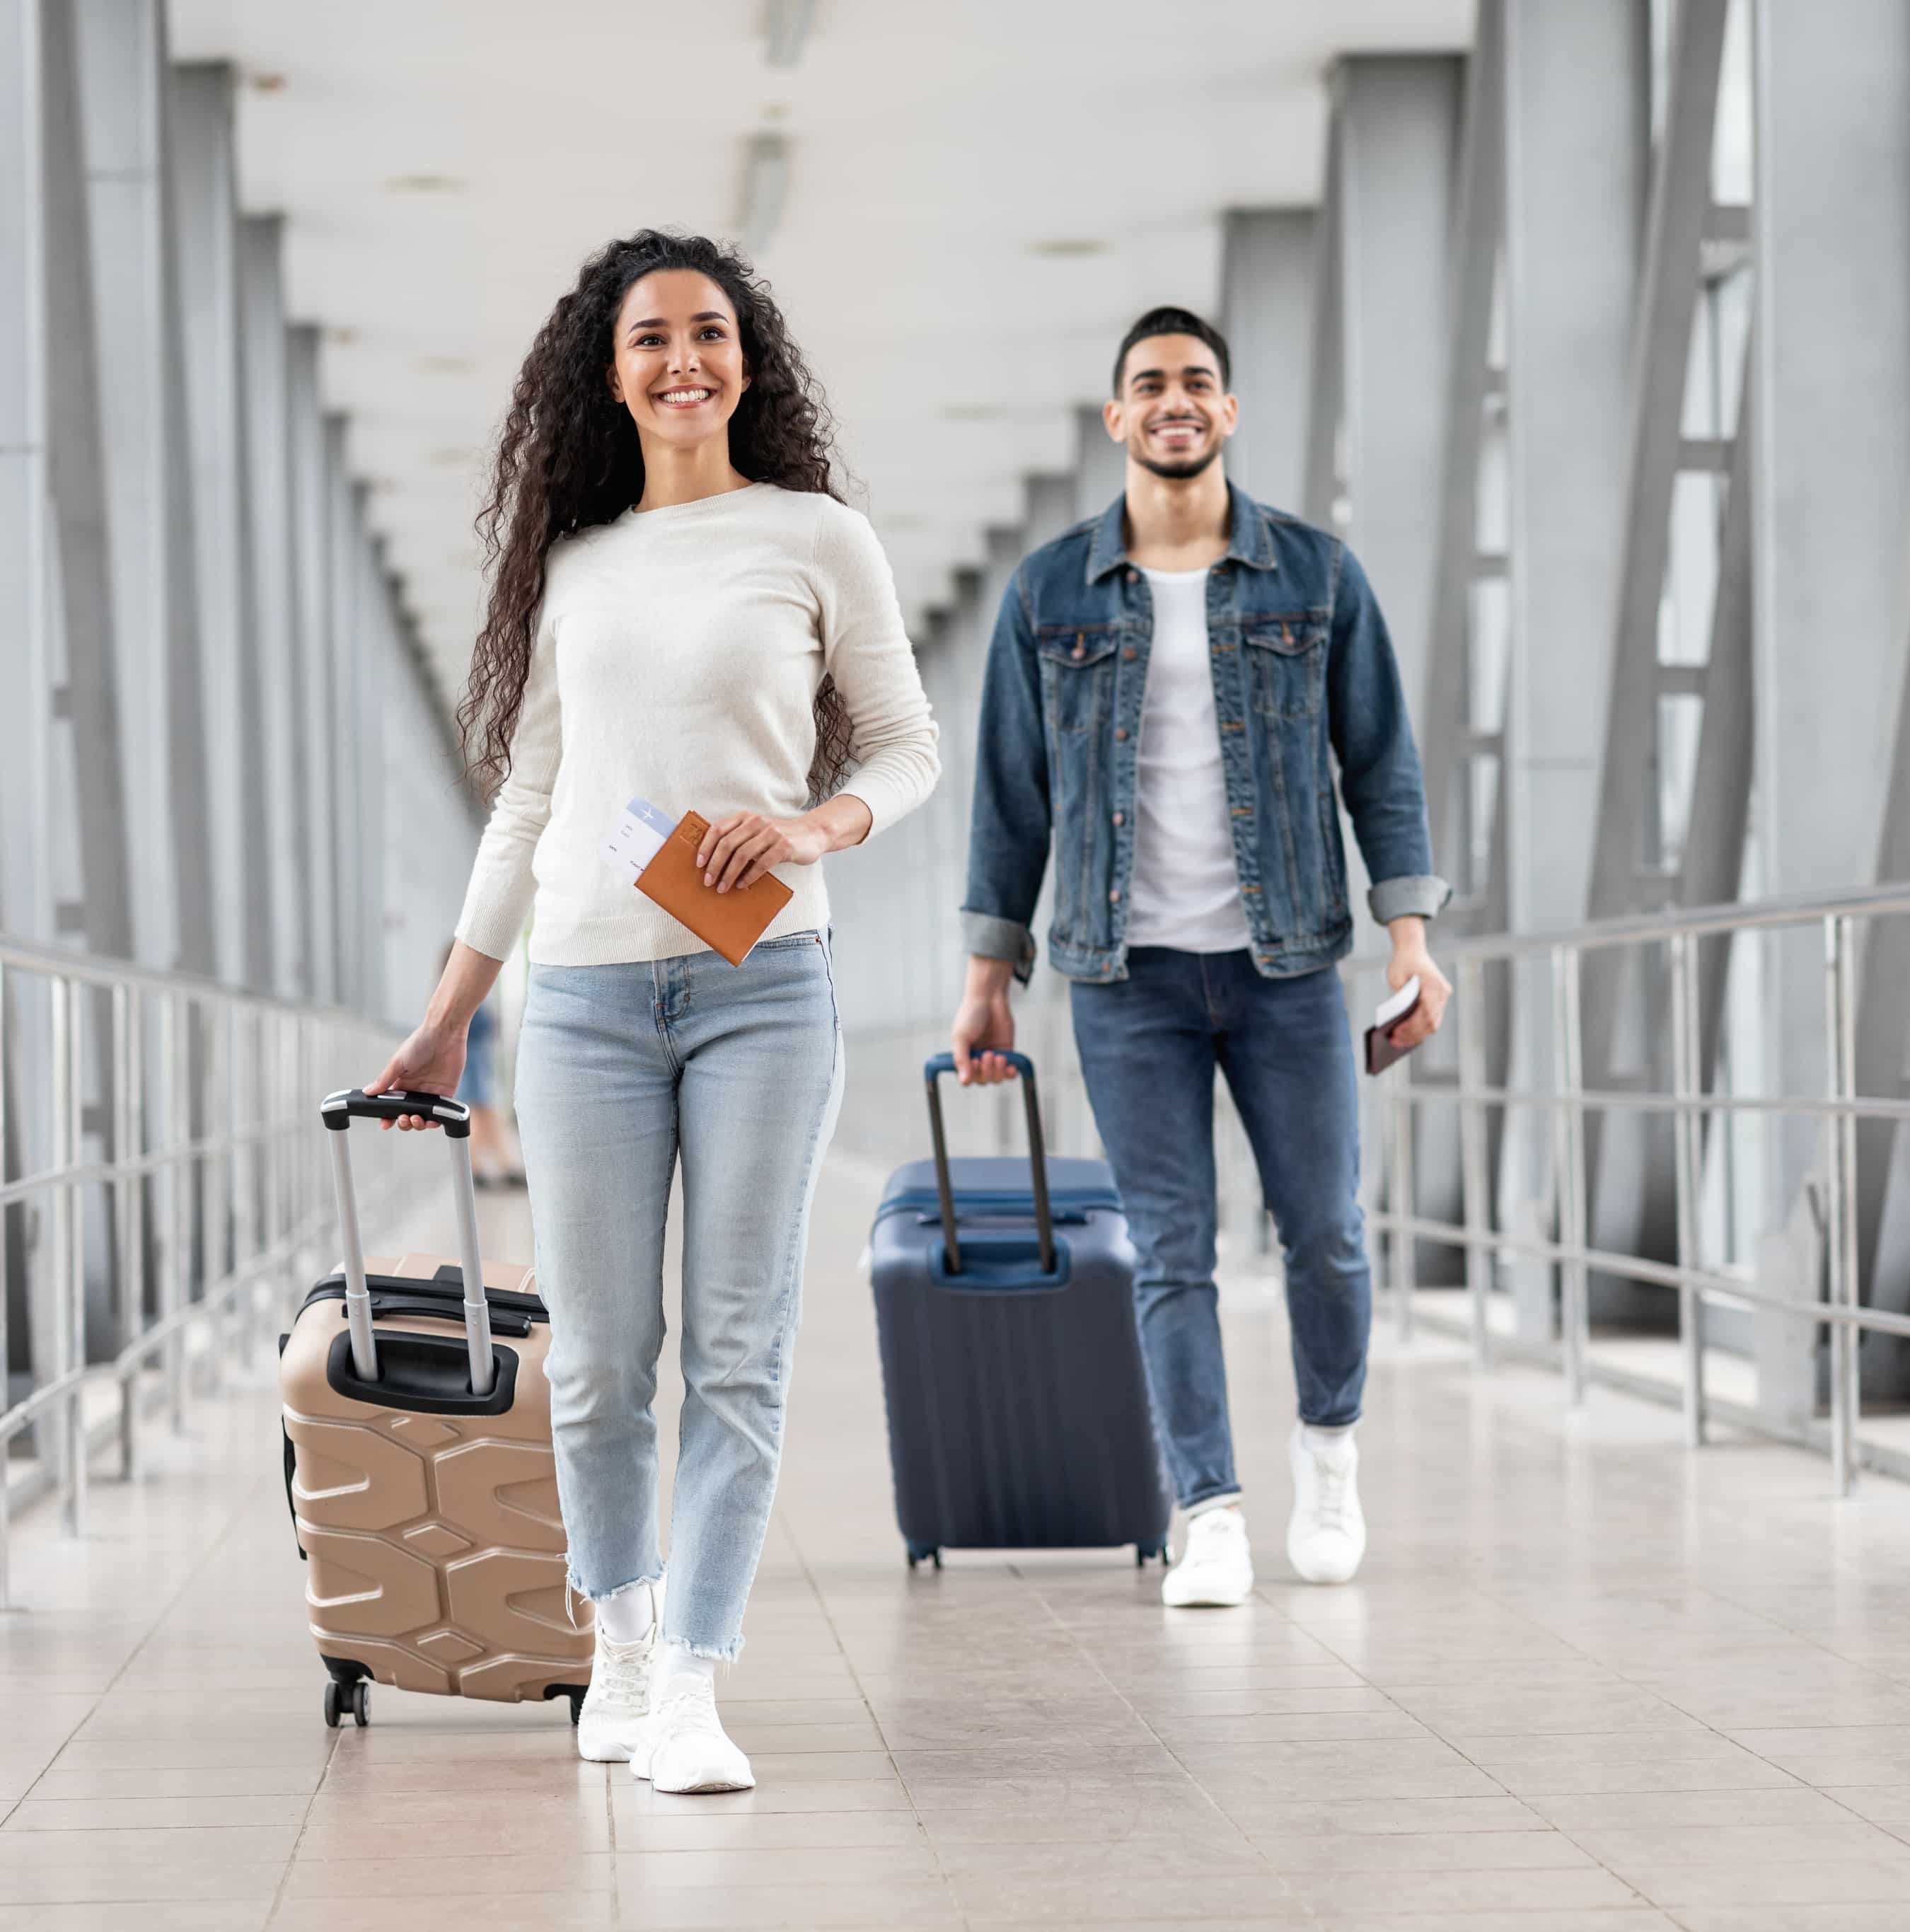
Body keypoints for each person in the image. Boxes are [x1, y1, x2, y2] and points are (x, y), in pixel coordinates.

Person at [368, 231, 938, 1792]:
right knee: (604, 1353)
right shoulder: (574, 564)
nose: (682, 359)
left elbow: (903, 744)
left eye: (709, 332)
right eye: (649, 339)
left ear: (747, 358)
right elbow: (532, 801)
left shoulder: (817, 538)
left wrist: (820, 826)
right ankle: (613, 1645)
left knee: (738, 1352)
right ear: (603, 372)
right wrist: (443, 1023)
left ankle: (692, 1676)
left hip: (766, 988)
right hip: (587, 999)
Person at [952, 306, 1449, 1610]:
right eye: (1149, 385)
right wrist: (985, 978)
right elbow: (1012, 800)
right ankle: (1209, 1507)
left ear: (1228, 413)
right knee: (1170, 1248)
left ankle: (1329, 1454)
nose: (1175, 401)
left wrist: (1414, 939)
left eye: (1198, 383)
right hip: (1125, 981)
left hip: (1287, 966)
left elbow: (1381, 767)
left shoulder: (1316, 576)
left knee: (1327, 1235)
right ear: (1116, 418)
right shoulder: (1049, 591)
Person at [439, 942, 525, 1188]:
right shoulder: (459, 994)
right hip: (472, 1063)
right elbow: (477, 1027)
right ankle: (495, 1165)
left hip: (474, 1063)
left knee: (481, 1116)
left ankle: (489, 1165)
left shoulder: (455, 992)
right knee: (483, 1114)